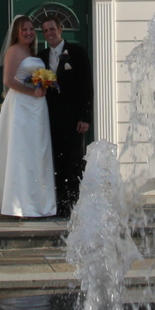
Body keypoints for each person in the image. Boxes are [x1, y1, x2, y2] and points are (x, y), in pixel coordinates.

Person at [0, 15, 57, 218]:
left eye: (31, 29)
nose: (29, 33)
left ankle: (37, 201)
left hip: (38, 108)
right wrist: (32, 92)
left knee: (37, 152)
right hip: (21, 106)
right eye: (24, 30)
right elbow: (9, 80)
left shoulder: (32, 52)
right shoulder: (14, 51)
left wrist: (42, 87)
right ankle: (18, 203)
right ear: (17, 33)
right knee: (21, 151)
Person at [41, 15, 93, 216]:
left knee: (74, 161)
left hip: (74, 119)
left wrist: (85, 117)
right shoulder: (42, 56)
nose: (49, 33)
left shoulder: (77, 53)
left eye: (52, 29)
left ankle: (74, 204)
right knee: (56, 161)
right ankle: (58, 203)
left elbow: (86, 86)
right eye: (45, 31)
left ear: (60, 30)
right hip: (51, 118)